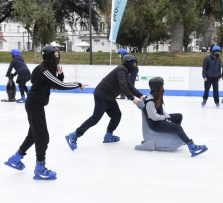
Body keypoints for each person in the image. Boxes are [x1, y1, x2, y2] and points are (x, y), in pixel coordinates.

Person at [4, 45, 86, 180]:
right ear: (48, 56)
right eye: (55, 55)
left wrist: (60, 75)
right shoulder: (43, 70)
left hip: (34, 104)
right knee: (43, 137)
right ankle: (40, 168)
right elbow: (61, 86)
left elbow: (55, 83)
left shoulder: (44, 69)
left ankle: (15, 158)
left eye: (58, 54)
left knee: (33, 135)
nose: (57, 57)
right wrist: (78, 84)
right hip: (34, 105)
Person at [66, 54, 144, 151]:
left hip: (109, 97)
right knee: (95, 118)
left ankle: (108, 136)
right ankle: (74, 135)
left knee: (116, 115)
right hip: (101, 95)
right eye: (134, 64)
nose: (135, 66)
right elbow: (123, 85)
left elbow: (130, 86)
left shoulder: (125, 71)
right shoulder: (122, 69)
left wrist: (141, 95)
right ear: (128, 63)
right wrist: (132, 98)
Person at [143, 77, 208, 157]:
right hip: (155, 124)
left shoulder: (157, 96)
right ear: (157, 87)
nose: (163, 88)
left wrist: (166, 116)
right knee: (177, 127)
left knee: (178, 116)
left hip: (159, 119)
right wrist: (164, 118)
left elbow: (161, 110)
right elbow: (154, 117)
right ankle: (191, 147)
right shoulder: (150, 101)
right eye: (162, 86)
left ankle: (177, 135)